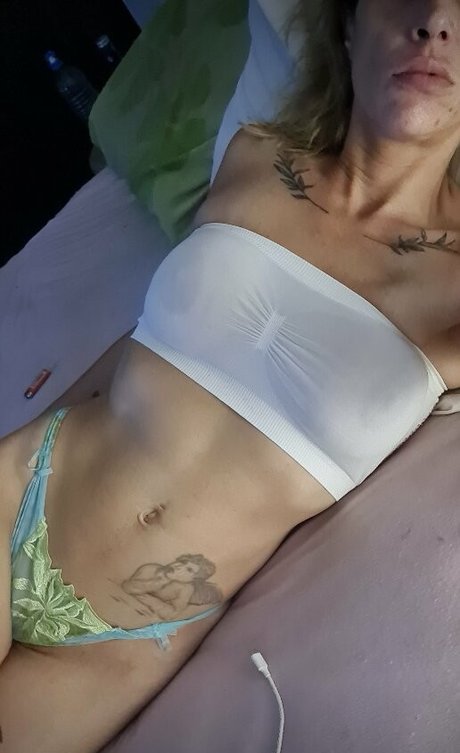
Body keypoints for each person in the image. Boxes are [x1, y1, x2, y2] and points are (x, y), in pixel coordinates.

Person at [1, 0, 460, 750]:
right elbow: (171, 331)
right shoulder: (255, 154)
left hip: (108, 649)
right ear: (348, 27)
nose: (435, 21)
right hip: (19, 489)